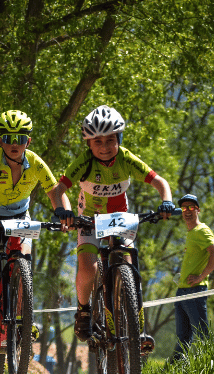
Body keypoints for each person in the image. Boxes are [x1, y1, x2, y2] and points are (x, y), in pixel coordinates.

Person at [0, 110, 73, 361]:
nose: (14, 143)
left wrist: (65, 214)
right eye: (8, 137)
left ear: (28, 142)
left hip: (20, 217)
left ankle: (23, 317)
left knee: (24, 263)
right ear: (0, 140)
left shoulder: (36, 163)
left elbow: (55, 191)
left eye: (20, 138)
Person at [56, 105, 175, 344]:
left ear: (119, 139)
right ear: (88, 144)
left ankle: (135, 326)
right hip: (88, 215)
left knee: (128, 261)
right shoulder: (84, 162)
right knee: (88, 267)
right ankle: (84, 310)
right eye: (97, 142)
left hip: (119, 216)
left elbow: (160, 182)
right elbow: (59, 189)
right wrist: (64, 211)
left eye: (111, 140)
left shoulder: (125, 158)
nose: (105, 147)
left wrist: (166, 202)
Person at [170, 194, 214, 363]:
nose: (187, 211)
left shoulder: (202, 230)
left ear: (198, 210)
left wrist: (201, 277)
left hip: (194, 292)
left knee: (202, 335)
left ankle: (213, 369)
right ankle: (171, 371)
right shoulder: (191, 233)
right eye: (184, 208)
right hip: (182, 291)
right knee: (183, 337)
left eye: (191, 207)